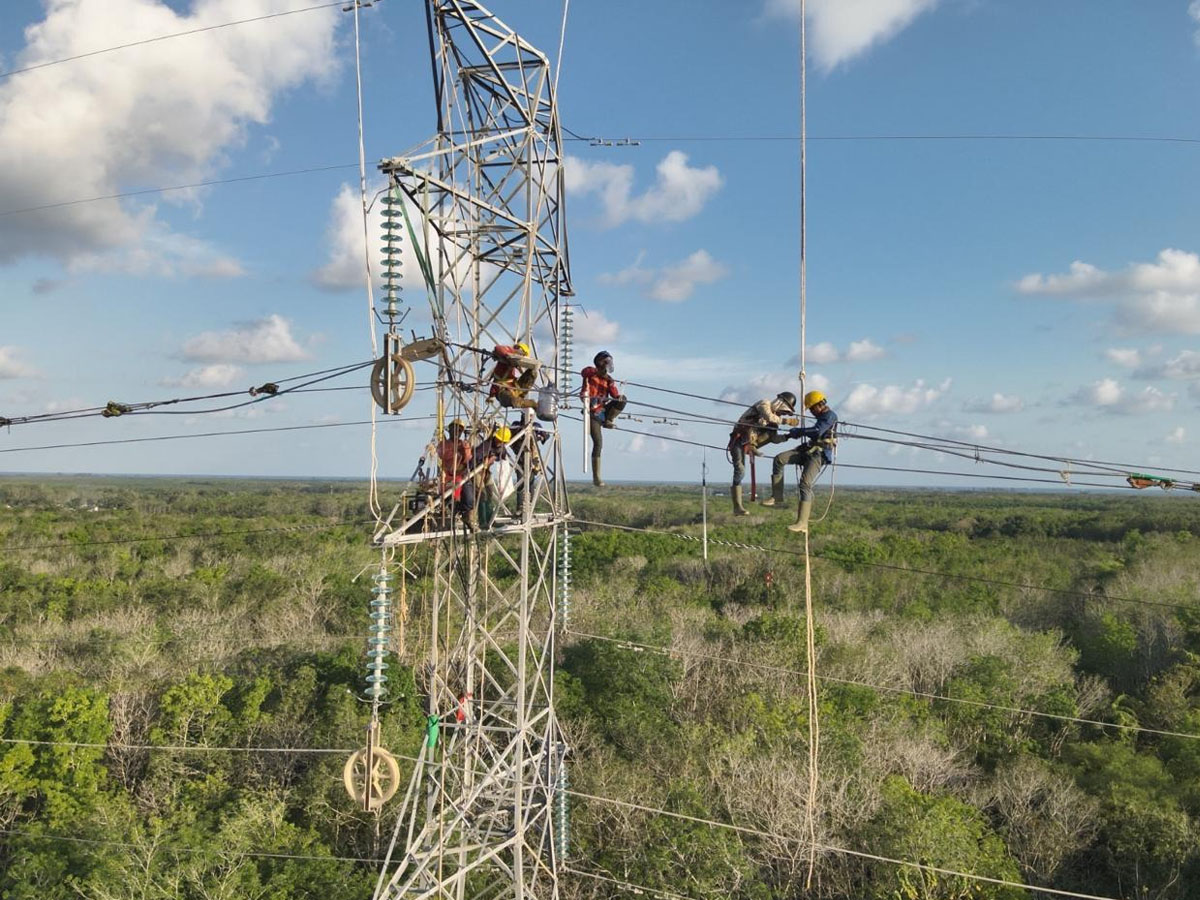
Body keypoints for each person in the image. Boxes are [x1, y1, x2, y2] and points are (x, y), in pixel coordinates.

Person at [762, 391, 837, 534]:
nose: (812, 412)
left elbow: (817, 431)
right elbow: (813, 433)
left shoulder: (830, 416)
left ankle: (802, 523)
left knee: (805, 484)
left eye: (813, 408)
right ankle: (777, 497)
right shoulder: (821, 417)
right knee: (779, 459)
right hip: (808, 450)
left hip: (818, 455)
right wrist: (791, 435)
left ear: (820, 404)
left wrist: (800, 431)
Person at [726, 391, 799, 516]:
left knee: (772, 430)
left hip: (752, 441)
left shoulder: (774, 421)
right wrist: (787, 421)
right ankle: (737, 507)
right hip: (739, 439)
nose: (782, 414)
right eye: (783, 411)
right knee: (740, 471)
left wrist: (789, 436)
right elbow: (768, 416)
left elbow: (774, 438)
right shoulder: (764, 404)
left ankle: (753, 445)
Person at [580, 350, 626, 487]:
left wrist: (618, 391)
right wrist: (598, 373)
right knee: (598, 443)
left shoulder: (609, 380)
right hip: (592, 413)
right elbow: (585, 372)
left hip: (603, 411)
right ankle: (596, 477)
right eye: (606, 363)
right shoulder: (590, 372)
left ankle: (609, 420)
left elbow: (615, 395)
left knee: (623, 400)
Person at [435, 419, 476, 530]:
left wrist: (466, 450)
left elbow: (468, 460)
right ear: (450, 430)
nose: (457, 432)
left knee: (470, 499)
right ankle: (451, 519)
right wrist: (456, 451)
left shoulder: (464, 444)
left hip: (462, 476)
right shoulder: (443, 445)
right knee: (451, 499)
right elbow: (442, 455)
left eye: (459, 430)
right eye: (455, 429)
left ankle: (467, 517)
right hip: (448, 476)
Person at [472, 423, 512, 529]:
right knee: (482, 495)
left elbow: (502, 456)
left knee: (489, 493)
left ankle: (491, 520)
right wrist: (485, 460)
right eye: (500, 441)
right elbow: (474, 458)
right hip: (477, 471)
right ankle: (482, 521)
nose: (501, 443)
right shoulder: (486, 446)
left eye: (503, 442)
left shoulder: (500, 447)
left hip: (486, 472)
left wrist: (495, 458)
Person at [487, 342, 539, 411]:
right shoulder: (505, 358)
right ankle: (531, 403)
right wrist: (514, 352)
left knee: (533, 372)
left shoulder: (514, 363)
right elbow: (498, 348)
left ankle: (521, 397)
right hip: (503, 392)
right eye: (522, 353)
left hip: (515, 388)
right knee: (514, 401)